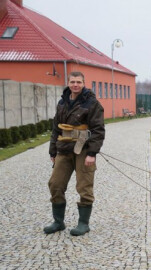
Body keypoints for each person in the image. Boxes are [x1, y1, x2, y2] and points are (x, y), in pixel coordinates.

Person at [43, 71, 105, 236]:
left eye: (78, 82)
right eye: (72, 82)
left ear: (84, 83)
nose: (75, 85)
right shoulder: (62, 102)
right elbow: (56, 128)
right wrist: (53, 150)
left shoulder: (92, 103)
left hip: (83, 149)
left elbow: (98, 130)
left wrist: (92, 153)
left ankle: (83, 224)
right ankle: (58, 222)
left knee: (84, 187)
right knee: (55, 184)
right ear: (68, 83)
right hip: (63, 149)